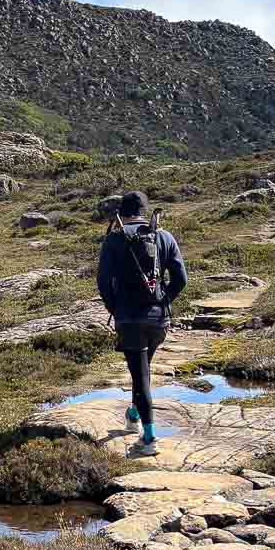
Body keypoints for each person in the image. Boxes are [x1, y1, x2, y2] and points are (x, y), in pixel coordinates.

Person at [96, 191, 188, 453]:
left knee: (141, 378)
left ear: (122, 213)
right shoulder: (165, 236)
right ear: (144, 211)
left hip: (129, 319)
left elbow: (103, 282)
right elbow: (181, 279)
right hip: (158, 321)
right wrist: (163, 301)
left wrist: (116, 308)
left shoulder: (115, 239)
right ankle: (133, 415)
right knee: (142, 372)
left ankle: (148, 439)